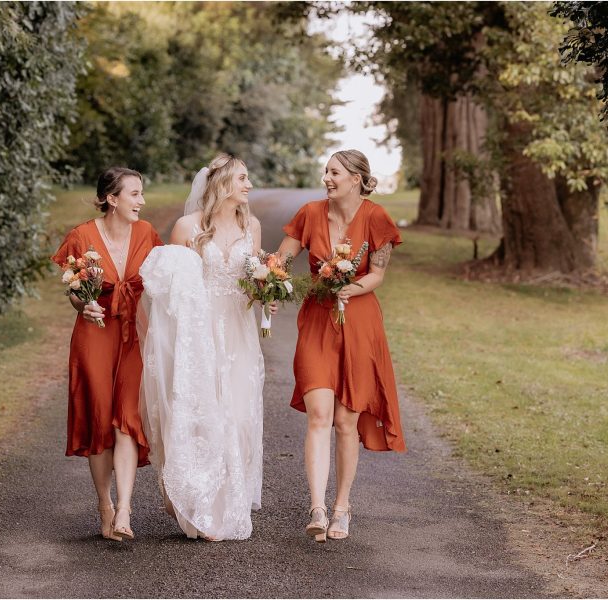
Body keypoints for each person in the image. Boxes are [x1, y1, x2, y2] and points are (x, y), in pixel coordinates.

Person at [137, 153, 273, 540]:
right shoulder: (187, 227)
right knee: (203, 413)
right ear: (224, 184)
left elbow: (254, 279)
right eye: (243, 178)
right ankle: (200, 506)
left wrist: (267, 294)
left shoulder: (254, 226)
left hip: (240, 330)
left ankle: (230, 500)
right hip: (200, 330)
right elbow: (168, 290)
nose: (248, 186)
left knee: (241, 414)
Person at [276, 149, 406, 543]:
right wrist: (268, 276)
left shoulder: (377, 217)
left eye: (334, 172)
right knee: (319, 413)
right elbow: (282, 256)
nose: (326, 178)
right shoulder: (310, 213)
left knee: (346, 420)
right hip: (317, 320)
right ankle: (316, 507)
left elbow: (378, 274)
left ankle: (342, 507)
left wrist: (349, 287)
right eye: (326, 172)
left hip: (359, 322)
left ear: (356, 178)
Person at [51, 167, 162, 542]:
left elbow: (165, 283)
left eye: (141, 193)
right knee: (100, 419)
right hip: (95, 334)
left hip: (135, 335)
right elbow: (73, 288)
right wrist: (83, 305)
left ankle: (126, 510)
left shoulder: (147, 234)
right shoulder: (81, 237)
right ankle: (105, 504)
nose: (141, 201)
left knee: (125, 418)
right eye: (134, 194)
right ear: (112, 199)